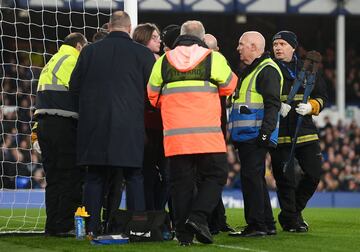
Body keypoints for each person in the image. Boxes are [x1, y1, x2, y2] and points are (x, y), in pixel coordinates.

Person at [147, 20, 238, 246]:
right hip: (207, 134)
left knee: (181, 185)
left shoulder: (164, 61)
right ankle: (198, 218)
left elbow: (152, 95)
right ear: (202, 36)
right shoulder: (213, 58)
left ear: (181, 35)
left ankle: (184, 236)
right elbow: (229, 86)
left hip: (176, 136)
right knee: (216, 176)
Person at [69, 11, 155, 236]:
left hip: (94, 125)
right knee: (134, 175)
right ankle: (138, 229)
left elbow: (74, 86)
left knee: (94, 176)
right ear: (129, 28)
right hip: (130, 125)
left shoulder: (89, 51)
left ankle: (91, 227)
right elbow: (152, 92)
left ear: (108, 27)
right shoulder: (143, 54)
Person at [270, 31, 328, 232]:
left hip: (306, 131)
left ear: (293, 47)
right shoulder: (269, 68)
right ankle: (292, 222)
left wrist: (311, 106)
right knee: (284, 180)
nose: (278, 47)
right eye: (275, 44)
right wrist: (276, 106)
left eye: (282, 43)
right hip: (279, 133)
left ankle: (290, 214)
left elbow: (322, 96)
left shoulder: (309, 69)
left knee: (314, 174)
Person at [228, 31, 283, 237]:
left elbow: (272, 105)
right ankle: (266, 223)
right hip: (249, 134)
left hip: (255, 134)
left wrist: (264, 134)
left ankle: (256, 225)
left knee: (251, 178)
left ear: (253, 46)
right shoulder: (255, 69)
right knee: (255, 178)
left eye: (241, 44)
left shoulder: (265, 69)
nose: (238, 48)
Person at [33, 32, 88, 236]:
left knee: (54, 178)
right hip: (63, 124)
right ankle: (65, 225)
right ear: (80, 46)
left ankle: (52, 225)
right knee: (70, 176)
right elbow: (80, 90)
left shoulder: (51, 62)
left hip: (44, 124)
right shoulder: (72, 59)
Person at [133, 23, 167, 211]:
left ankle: (156, 215)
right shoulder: (144, 62)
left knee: (161, 175)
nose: (159, 40)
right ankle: (152, 215)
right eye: (154, 37)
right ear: (143, 39)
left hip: (160, 125)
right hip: (146, 126)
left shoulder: (160, 60)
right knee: (148, 174)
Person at [203, 33, 234, 235]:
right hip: (207, 132)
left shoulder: (218, 67)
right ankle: (211, 220)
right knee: (210, 177)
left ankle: (216, 220)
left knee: (213, 177)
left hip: (214, 132)